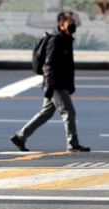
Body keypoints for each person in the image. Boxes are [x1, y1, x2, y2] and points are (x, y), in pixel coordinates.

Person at [10, 12, 90, 153]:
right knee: (68, 112)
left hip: (61, 83)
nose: (73, 24)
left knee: (45, 113)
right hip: (55, 84)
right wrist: (50, 84)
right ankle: (72, 144)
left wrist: (70, 84)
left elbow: (68, 65)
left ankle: (20, 137)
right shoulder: (56, 40)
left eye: (73, 21)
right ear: (61, 24)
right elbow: (48, 65)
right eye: (69, 22)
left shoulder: (67, 39)